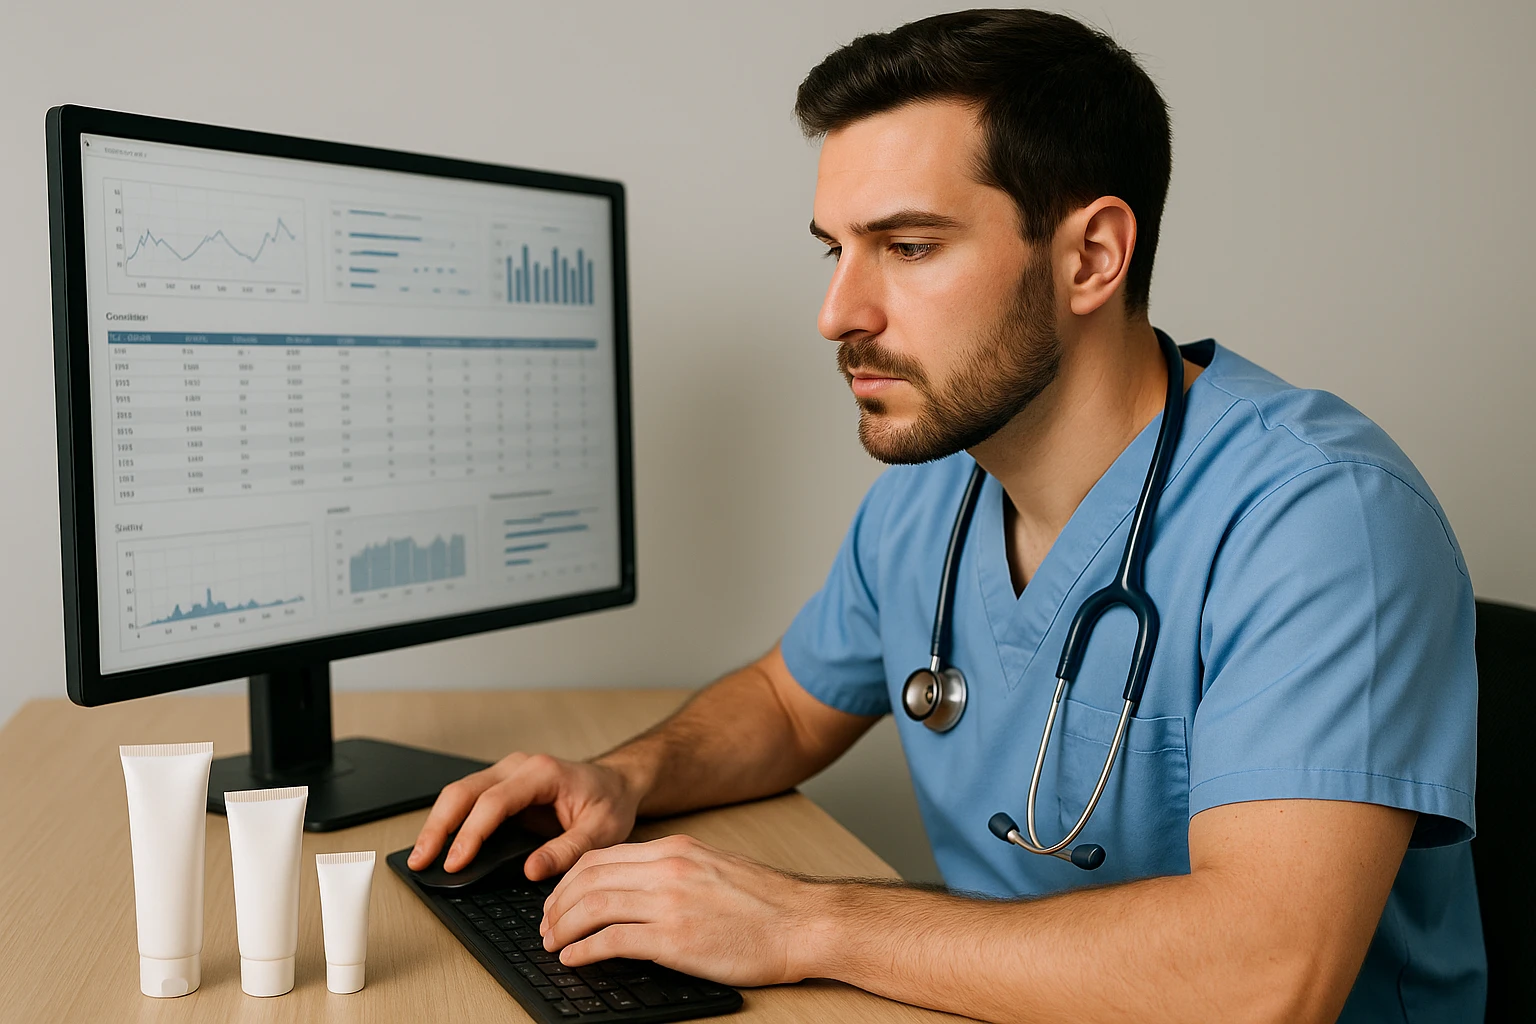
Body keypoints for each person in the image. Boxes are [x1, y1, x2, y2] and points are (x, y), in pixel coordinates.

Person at [409, 10, 1482, 1022]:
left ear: (1091, 258)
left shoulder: (1322, 519)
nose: (839, 314)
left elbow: (1266, 977)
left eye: (909, 247)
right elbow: (788, 705)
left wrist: (805, 919)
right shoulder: (935, 494)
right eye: (837, 249)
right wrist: (626, 775)